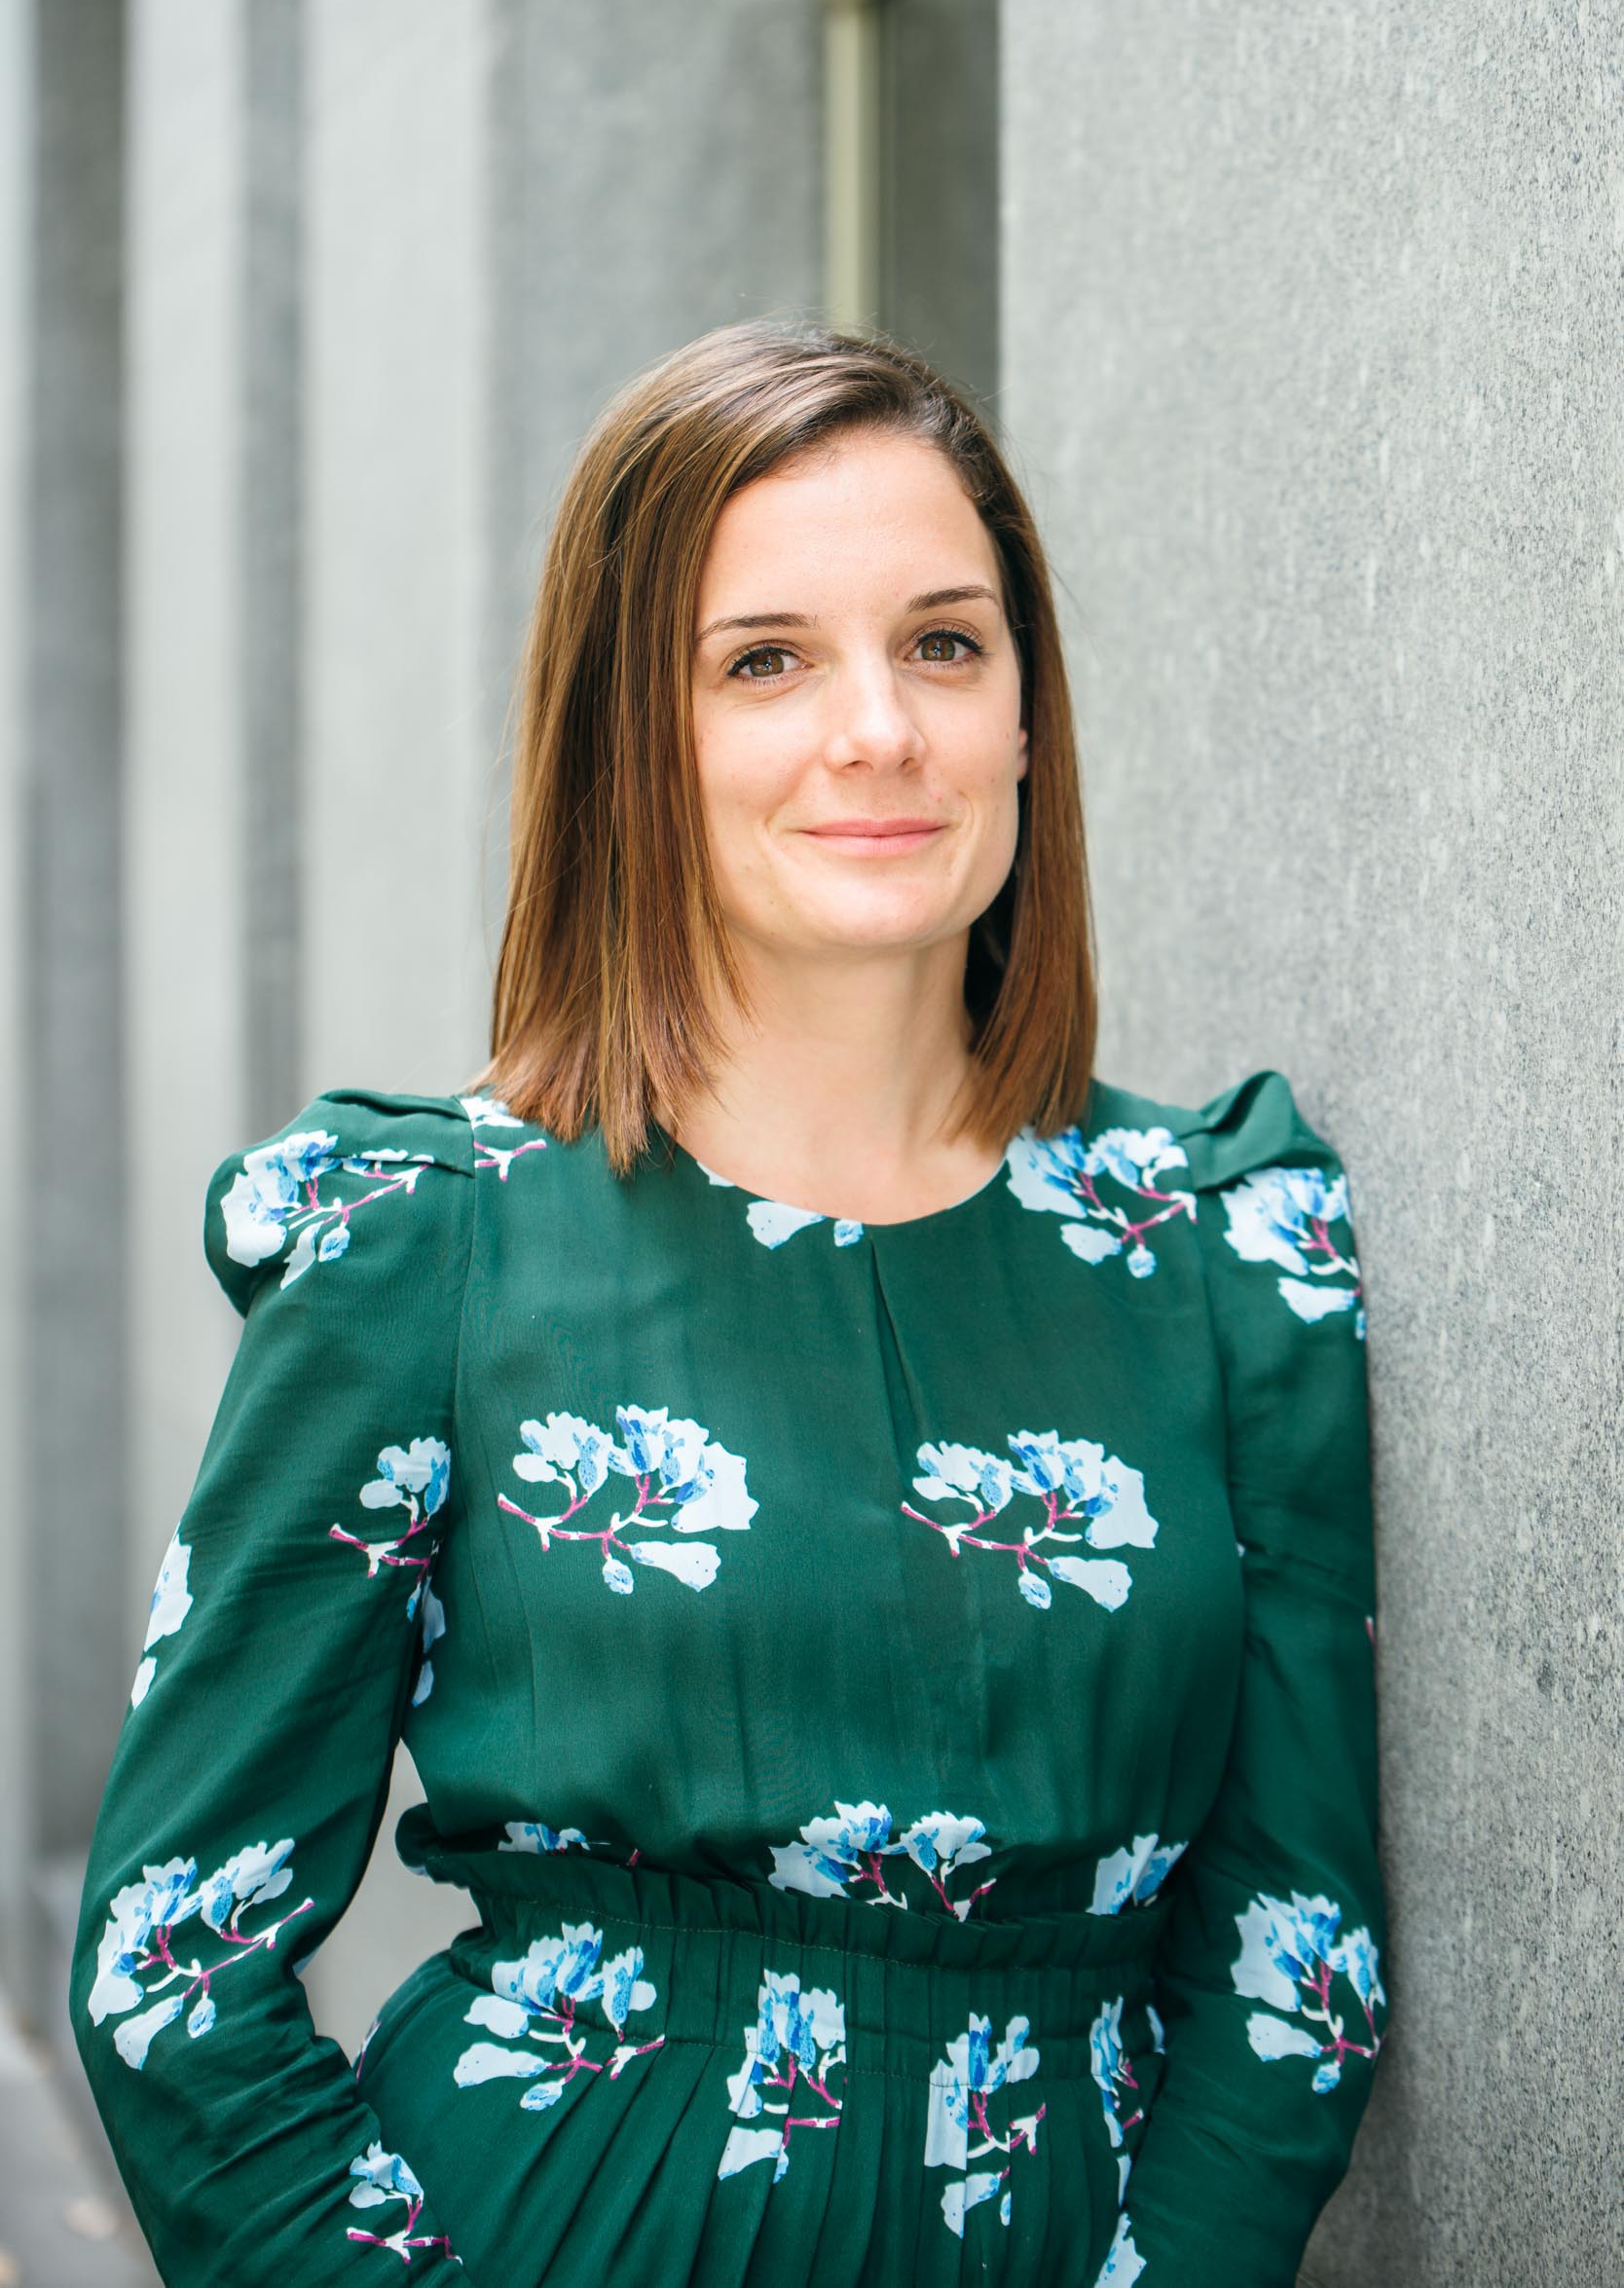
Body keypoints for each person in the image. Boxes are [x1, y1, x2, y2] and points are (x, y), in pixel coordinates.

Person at [69, 319, 1385, 2287]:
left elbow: (1303, 1959)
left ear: (1029, 712)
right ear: (634, 732)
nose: (881, 728)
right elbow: (174, 1958)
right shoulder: (434, 1239)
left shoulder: (1226, 1251)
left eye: (946, 643)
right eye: (766, 659)